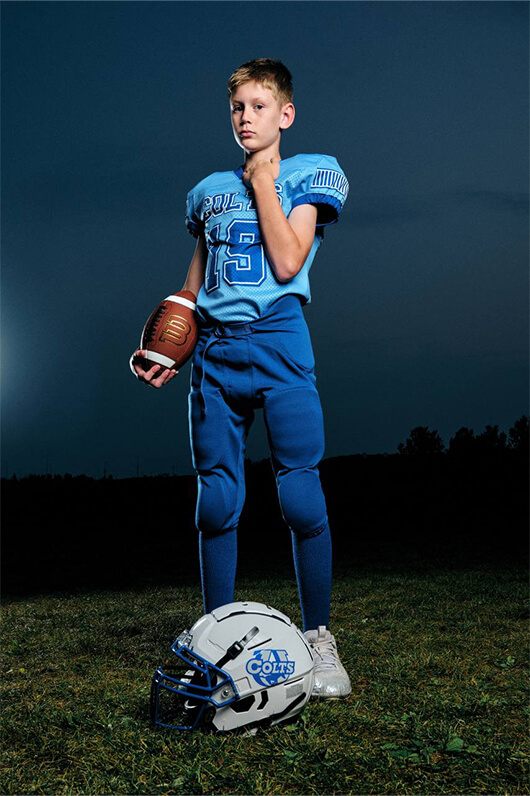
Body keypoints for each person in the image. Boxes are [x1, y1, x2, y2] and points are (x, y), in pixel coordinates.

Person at [131, 58, 351, 699]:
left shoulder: (311, 172)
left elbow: (287, 261)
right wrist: (164, 346)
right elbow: (193, 289)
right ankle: (214, 638)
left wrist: (262, 182)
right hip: (218, 355)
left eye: (258, 107)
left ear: (285, 114)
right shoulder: (205, 191)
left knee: (301, 499)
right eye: (237, 108)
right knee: (217, 503)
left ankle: (319, 638)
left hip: (281, 341)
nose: (245, 118)